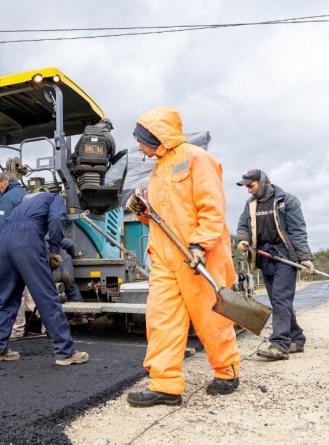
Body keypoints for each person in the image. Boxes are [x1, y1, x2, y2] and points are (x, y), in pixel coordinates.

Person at [125, 106, 240, 407]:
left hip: (198, 255)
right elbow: (161, 216)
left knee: (211, 318)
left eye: (141, 140)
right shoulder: (157, 169)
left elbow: (212, 207)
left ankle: (227, 372)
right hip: (163, 256)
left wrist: (200, 245)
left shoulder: (197, 158)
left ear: (156, 135)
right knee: (162, 320)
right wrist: (142, 211)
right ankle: (165, 385)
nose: (138, 146)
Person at [0, 192, 88, 366]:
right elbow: (56, 220)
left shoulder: (22, 206)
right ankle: (65, 352)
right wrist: (55, 250)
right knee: (47, 297)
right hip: (27, 240)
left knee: (8, 298)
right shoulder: (56, 198)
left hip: (5, 240)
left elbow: (2, 223)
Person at [235, 169, 315, 360]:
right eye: (246, 187)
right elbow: (243, 226)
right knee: (279, 300)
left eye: (251, 186)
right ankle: (297, 338)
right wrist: (243, 239)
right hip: (265, 256)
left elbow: (297, 230)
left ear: (262, 182)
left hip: (285, 255)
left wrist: (305, 257)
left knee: (280, 298)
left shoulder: (287, 200)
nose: (248, 190)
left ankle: (280, 345)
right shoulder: (250, 205)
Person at [0, 171, 27, 267]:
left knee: (8, 280)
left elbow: (1, 224)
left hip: (14, 247)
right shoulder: (26, 193)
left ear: (5, 182)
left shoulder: (7, 198)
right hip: (29, 243)